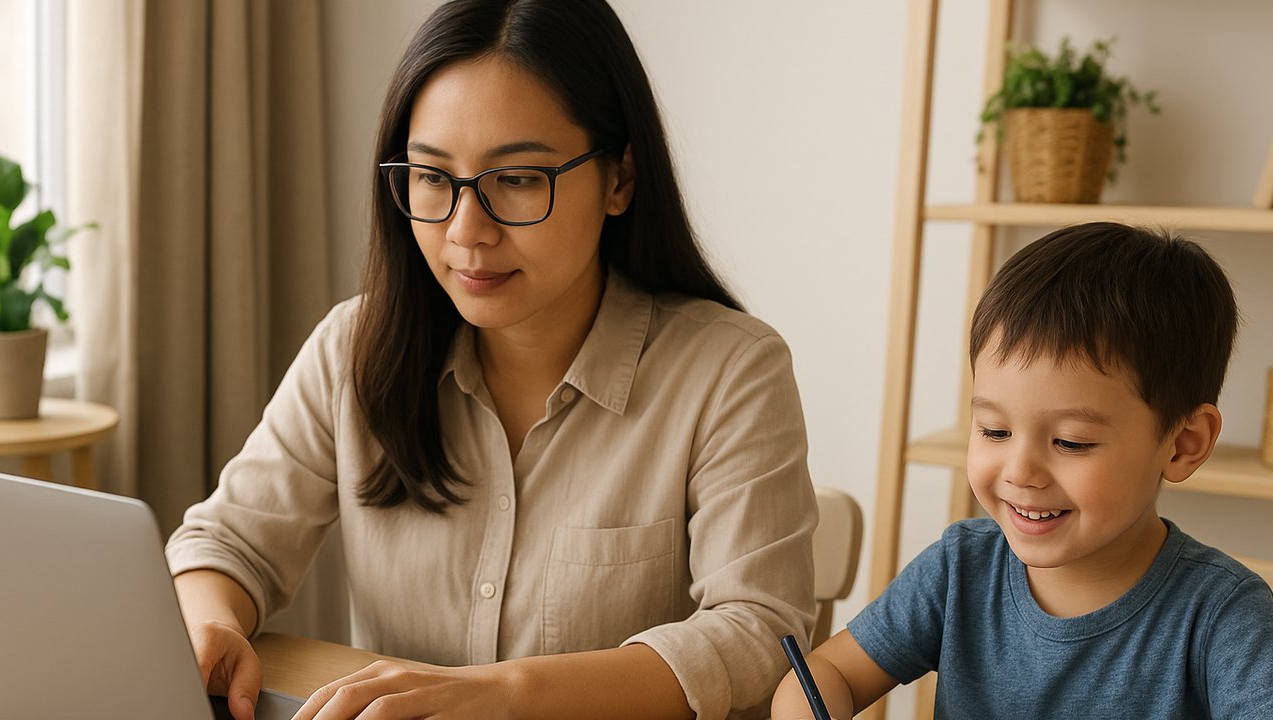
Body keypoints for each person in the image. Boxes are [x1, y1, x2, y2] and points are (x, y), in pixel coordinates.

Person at [165, 1, 818, 719]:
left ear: (619, 180)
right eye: (432, 179)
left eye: (516, 180)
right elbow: (224, 543)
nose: (466, 232)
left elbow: (759, 631)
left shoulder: (730, 371)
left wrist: (505, 695)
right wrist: (212, 623)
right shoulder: (354, 349)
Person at [772, 222, 1273, 719]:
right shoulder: (959, 570)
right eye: (993, 431)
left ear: (1183, 444)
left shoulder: (1228, 617)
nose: (1021, 471)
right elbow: (823, 677)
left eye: (1070, 442)